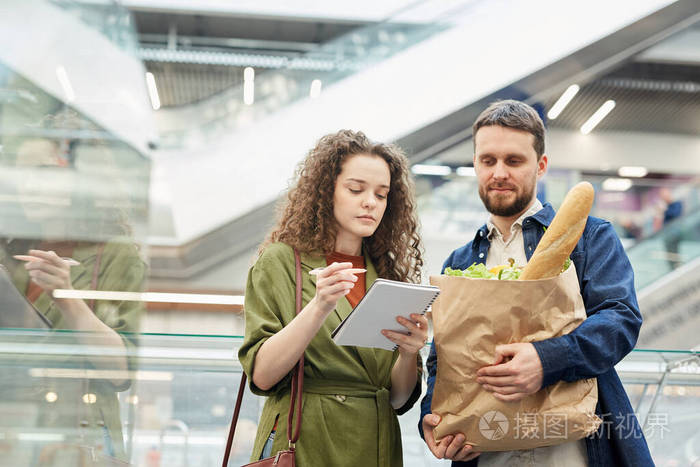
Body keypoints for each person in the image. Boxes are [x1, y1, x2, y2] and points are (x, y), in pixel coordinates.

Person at [419, 100, 654, 466]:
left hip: (574, 448)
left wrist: (547, 360)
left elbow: (620, 321)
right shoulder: (459, 262)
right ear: (476, 165)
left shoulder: (589, 238)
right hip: (488, 451)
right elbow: (443, 360)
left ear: (540, 166)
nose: (499, 172)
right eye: (488, 160)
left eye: (514, 161)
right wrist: (431, 420)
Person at [238, 129, 426, 466]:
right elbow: (263, 374)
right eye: (356, 189)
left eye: (381, 195)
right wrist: (320, 305)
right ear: (327, 193)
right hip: (304, 440)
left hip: (375, 442)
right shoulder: (282, 262)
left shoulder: (388, 276)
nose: (370, 201)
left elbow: (398, 400)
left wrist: (410, 354)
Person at [0, 132, 147, 463]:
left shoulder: (114, 256)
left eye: (44, 172)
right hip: (13, 431)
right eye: (22, 174)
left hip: (79, 434)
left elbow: (121, 371)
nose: (29, 186)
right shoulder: (9, 255)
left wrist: (67, 298)